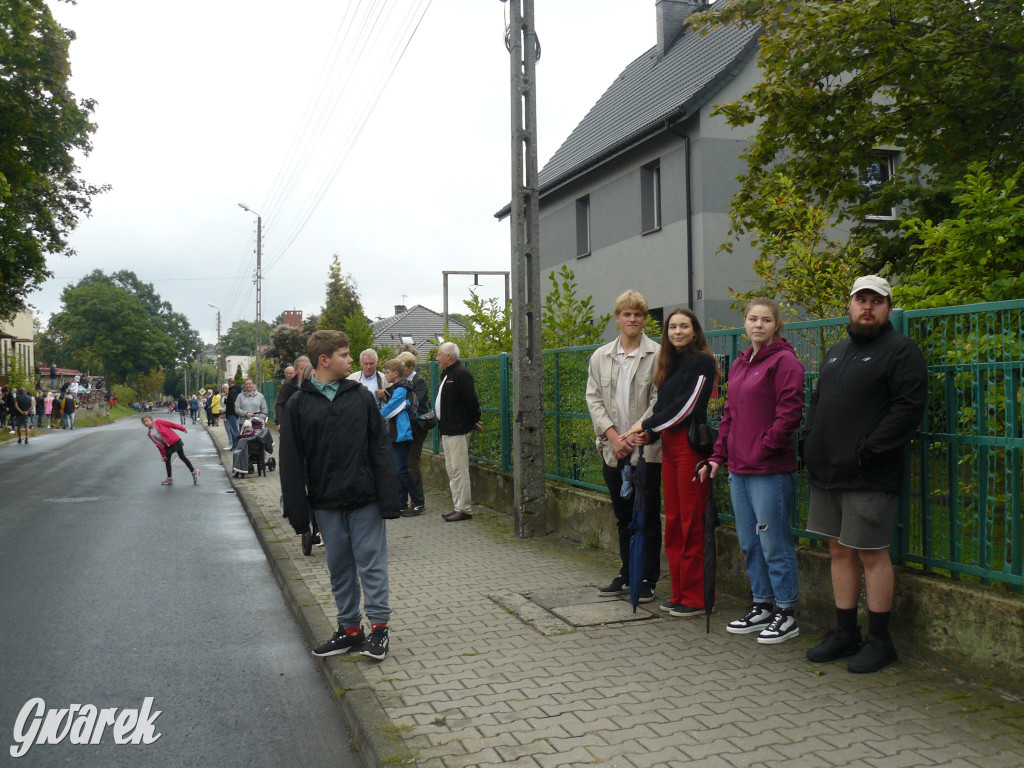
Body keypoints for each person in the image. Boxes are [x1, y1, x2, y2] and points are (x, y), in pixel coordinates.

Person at [802, 275, 928, 674]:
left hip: (869, 474)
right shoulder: (838, 351)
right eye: (861, 300)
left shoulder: (901, 351)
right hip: (828, 473)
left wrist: (869, 449)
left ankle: (880, 640)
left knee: (872, 554)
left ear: (888, 308)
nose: (868, 307)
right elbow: (818, 401)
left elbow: (908, 408)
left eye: (877, 300)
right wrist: (807, 441)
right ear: (850, 305)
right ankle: (845, 632)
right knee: (838, 550)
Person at [279, 330, 398, 661]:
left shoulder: (360, 396)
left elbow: (380, 448)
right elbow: (289, 462)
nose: (351, 360)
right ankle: (349, 631)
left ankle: (378, 631)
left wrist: (389, 499)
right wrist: (298, 511)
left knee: (371, 564)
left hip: (365, 498)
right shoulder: (298, 405)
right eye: (345, 355)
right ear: (324, 360)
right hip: (326, 503)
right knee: (340, 566)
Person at [698, 298, 805, 643]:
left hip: (769, 470)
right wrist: (717, 456)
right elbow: (729, 416)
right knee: (749, 542)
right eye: (752, 319)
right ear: (745, 324)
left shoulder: (785, 362)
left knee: (774, 542)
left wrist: (763, 448)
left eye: (765, 320)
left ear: (777, 326)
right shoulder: (741, 364)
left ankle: (786, 612)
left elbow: (789, 414)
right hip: (739, 470)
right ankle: (761, 604)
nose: (758, 325)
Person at [626, 307, 716, 616]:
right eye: (672, 327)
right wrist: (649, 436)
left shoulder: (702, 362)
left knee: (691, 522)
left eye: (683, 326)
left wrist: (647, 426)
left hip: (691, 450)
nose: (677, 331)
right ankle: (679, 593)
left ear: (694, 331)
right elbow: (664, 408)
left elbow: (686, 409)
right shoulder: (668, 364)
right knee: (675, 523)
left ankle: (696, 598)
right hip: (669, 449)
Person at [585, 290, 663, 602]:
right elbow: (593, 399)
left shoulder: (658, 355)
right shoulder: (600, 356)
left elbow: (660, 401)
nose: (632, 319)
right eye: (626, 314)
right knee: (623, 515)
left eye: (638, 314)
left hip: (646, 451)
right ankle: (627, 572)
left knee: (647, 515)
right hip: (612, 449)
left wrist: (631, 436)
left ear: (645, 319)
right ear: (617, 318)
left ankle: (648, 578)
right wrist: (614, 438)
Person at [435, 342, 482, 522]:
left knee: (459, 469)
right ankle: (458, 506)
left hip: (457, 430)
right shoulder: (446, 375)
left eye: (439, 354)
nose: (437, 358)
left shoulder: (461, 374)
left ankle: (464, 508)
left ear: (449, 356)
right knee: (452, 469)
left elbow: (471, 401)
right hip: (447, 429)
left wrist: (472, 421)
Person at [380, 358, 425, 517]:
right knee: (398, 470)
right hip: (396, 434)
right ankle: (400, 504)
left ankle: (418, 501)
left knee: (402, 469)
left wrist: (374, 418)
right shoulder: (398, 389)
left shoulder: (401, 390)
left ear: (396, 373)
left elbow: (390, 409)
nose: (385, 375)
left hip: (401, 434)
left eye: (387, 372)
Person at [399, 351, 430, 516]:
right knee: (404, 464)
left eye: (403, 367)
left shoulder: (419, 382)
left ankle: (419, 501)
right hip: (405, 427)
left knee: (412, 463)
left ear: (411, 367)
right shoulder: (404, 381)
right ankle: (405, 501)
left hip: (417, 428)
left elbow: (412, 403)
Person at [142, 415, 200, 486]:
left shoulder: (158, 422)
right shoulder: (150, 434)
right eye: (144, 422)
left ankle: (194, 472)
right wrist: (163, 455)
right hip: (167, 445)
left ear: (151, 420)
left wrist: (182, 428)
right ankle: (170, 479)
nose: (146, 423)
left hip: (174, 440)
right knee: (167, 460)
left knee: (182, 456)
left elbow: (171, 424)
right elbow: (159, 445)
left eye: (147, 421)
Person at [224, 378, 242, 448]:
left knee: (234, 430)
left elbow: (232, 402)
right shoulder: (238, 390)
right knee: (234, 429)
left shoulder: (233, 391)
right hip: (236, 412)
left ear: (229, 383)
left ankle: (236, 445)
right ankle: (236, 445)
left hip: (232, 413)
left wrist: (227, 402)